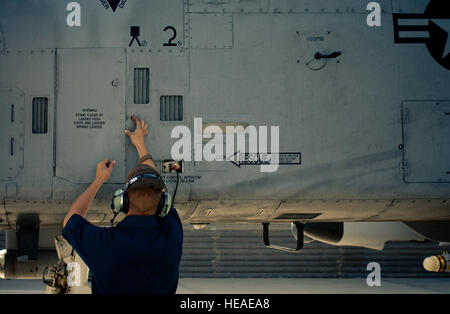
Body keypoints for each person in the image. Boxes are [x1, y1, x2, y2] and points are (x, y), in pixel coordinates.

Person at [62, 116, 183, 294]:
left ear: (122, 201)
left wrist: (99, 180)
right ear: (162, 205)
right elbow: (70, 222)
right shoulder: (170, 240)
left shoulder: (105, 245)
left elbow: (69, 222)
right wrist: (141, 146)